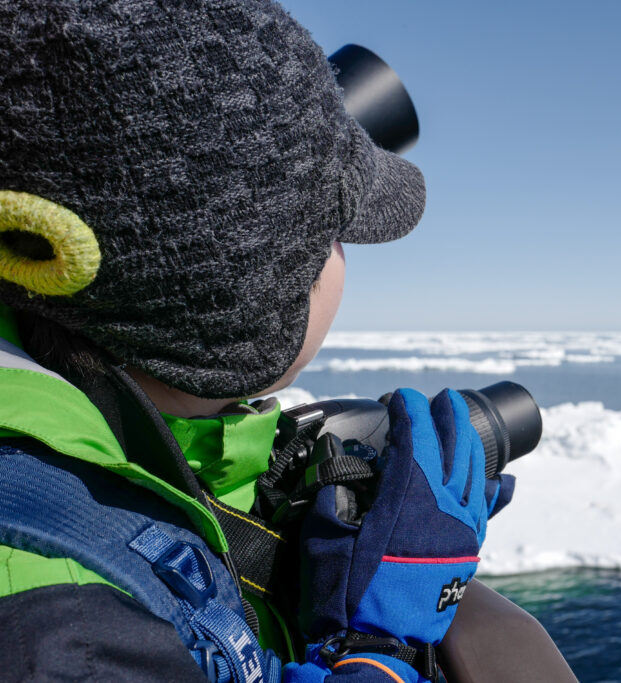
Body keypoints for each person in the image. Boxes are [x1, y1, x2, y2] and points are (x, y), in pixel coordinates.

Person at [0, 1, 576, 681]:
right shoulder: (67, 629)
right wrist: (379, 643)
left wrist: (233, 479)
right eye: (333, 236)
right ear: (248, 305)